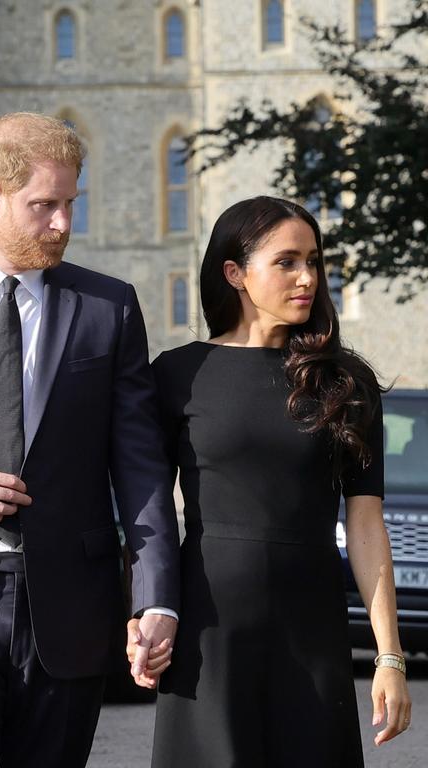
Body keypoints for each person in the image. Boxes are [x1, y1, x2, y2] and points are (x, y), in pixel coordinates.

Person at [0, 112, 181, 768]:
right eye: (44, 205)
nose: (63, 225)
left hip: (71, 605)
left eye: (70, 204)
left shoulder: (111, 309)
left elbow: (139, 467)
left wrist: (156, 596)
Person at [129, 196, 413, 766]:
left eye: (313, 260)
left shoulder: (344, 382)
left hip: (311, 626)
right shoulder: (177, 374)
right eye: (287, 261)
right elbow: (145, 506)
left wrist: (390, 656)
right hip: (208, 629)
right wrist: (143, 610)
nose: (307, 276)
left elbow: (365, 523)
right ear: (234, 273)